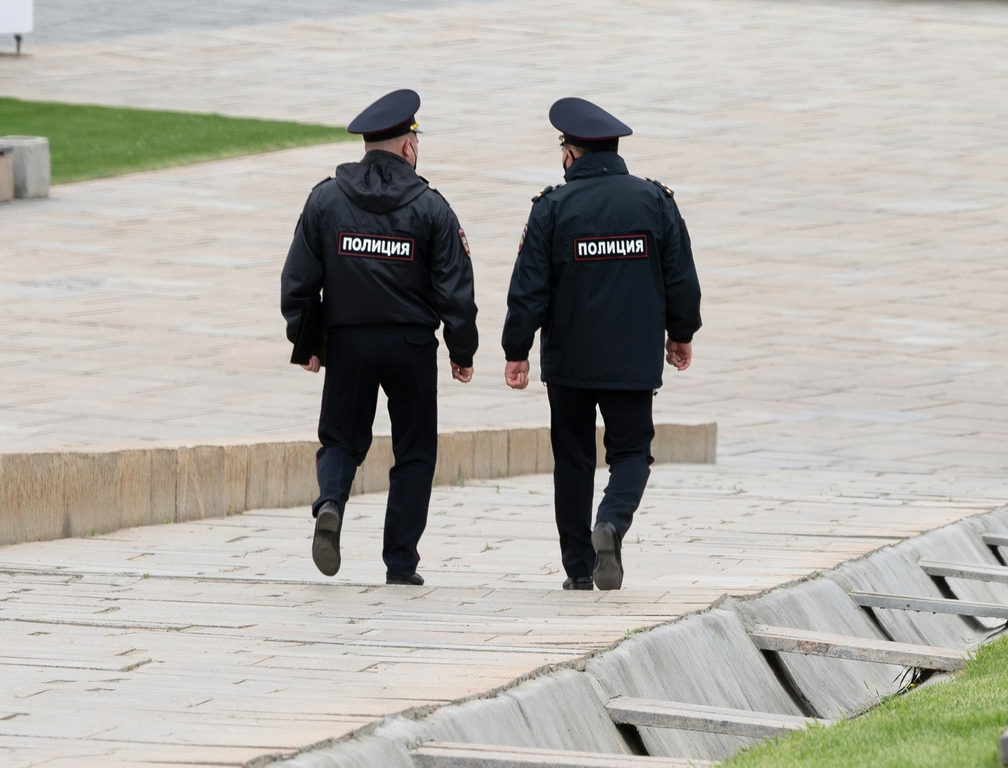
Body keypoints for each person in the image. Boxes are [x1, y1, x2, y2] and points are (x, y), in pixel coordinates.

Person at [279, 89, 478, 585]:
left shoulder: (326, 198)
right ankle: (400, 563)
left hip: (348, 342)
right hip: (410, 346)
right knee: (413, 451)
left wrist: (306, 342)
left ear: (367, 145)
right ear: (408, 146)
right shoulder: (431, 207)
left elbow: (299, 280)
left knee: (341, 439)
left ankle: (330, 504)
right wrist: (462, 349)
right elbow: (455, 286)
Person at [503, 97, 702, 591]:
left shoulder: (552, 207)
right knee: (632, 452)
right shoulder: (654, 201)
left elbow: (528, 286)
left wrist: (517, 349)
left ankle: (579, 570)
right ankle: (611, 522)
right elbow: (681, 277)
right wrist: (681, 334)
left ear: (571, 154)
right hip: (632, 359)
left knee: (572, 460)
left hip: (569, 361)